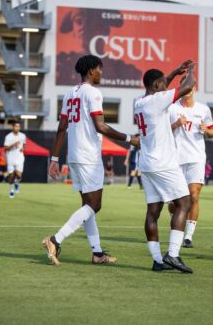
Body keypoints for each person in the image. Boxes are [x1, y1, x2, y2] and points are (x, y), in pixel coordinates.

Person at [42, 55, 140, 266]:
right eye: (99, 69)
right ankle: (55, 240)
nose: (101, 72)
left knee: (88, 206)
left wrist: (55, 158)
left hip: (75, 156)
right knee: (94, 206)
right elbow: (101, 127)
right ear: (90, 71)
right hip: (88, 156)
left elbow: (61, 128)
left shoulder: (69, 94)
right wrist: (130, 139)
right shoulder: (93, 93)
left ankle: (97, 253)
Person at [133, 59, 196, 273]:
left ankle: (157, 260)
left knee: (153, 211)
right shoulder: (157, 100)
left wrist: (175, 72)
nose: (166, 86)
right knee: (184, 203)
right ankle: (173, 255)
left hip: (147, 163)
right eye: (163, 84)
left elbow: (162, 86)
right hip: (163, 163)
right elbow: (188, 87)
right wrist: (190, 72)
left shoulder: (140, 102)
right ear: (157, 86)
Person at [167, 76, 213, 248]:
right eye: (184, 87)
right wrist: (175, 125)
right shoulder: (171, 108)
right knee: (176, 202)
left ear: (194, 89)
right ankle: (175, 220)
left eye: (190, 87)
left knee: (193, 196)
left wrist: (207, 131)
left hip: (196, 158)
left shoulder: (203, 109)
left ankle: (188, 236)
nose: (188, 90)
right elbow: (162, 130)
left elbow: (212, 131)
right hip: (175, 159)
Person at [3, 122, 26, 199]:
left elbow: (24, 144)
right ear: (13, 127)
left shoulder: (23, 136)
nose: (17, 128)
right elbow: (5, 148)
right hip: (10, 157)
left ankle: (17, 182)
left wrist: (23, 148)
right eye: (16, 126)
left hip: (19, 157)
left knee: (19, 175)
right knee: (11, 176)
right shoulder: (8, 137)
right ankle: (11, 190)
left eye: (19, 126)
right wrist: (13, 144)